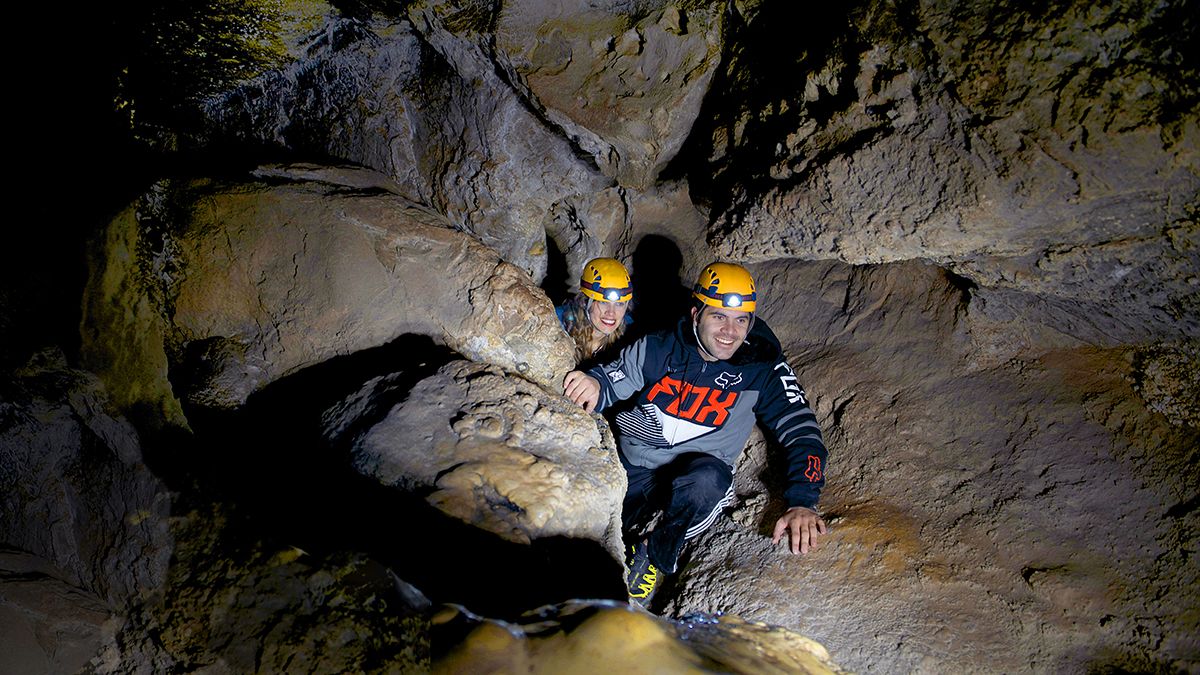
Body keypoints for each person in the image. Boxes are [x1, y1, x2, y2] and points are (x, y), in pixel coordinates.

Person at [562, 262, 828, 607]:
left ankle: (654, 552)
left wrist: (803, 500)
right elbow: (615, 378)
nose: (730, 331)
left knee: (710, 481)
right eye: (718, 317)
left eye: (741, 320)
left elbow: (802, 431)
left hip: (697, 478)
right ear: (696, 314)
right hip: (631, 469)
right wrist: (595, 382)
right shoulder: (659, 345)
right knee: (586, 540)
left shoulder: (764, 366)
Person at [557, 257, 633, 366]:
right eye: (603, 302)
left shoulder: (632, 335)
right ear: (585, 302)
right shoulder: (558, 323)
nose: (611, 313)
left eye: (619, 304)